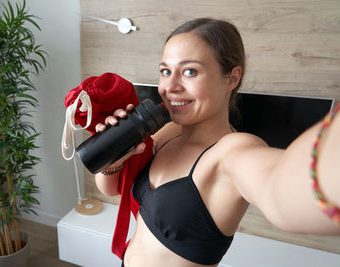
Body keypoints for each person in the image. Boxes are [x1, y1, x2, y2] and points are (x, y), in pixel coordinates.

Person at [94, 18, 340, 267]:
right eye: (166, 71)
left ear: (232, 78)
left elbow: (280, 189)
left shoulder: (233, 152)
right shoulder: (166, 132)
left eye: (190, 71)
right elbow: (112, 188)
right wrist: (115, 157)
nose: (170, 87)